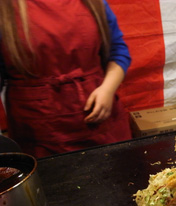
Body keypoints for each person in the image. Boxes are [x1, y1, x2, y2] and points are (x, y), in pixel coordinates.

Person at [0, 0, 132, 158]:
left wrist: (107, 89)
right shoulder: (5, 8)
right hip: (38, 131)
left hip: (101, 123)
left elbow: (118, 50)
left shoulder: (94, 3)